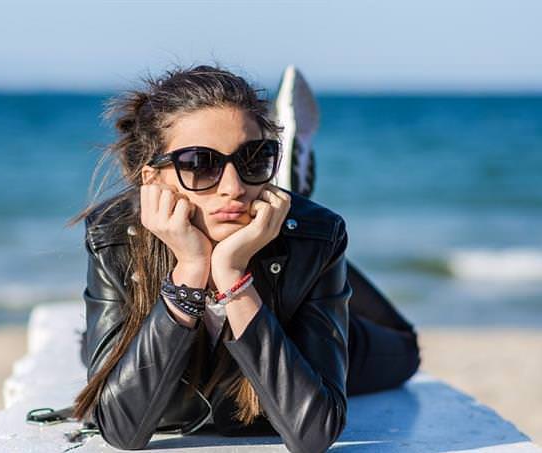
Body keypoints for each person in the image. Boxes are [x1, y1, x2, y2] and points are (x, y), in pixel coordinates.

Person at [68, 64, 421, 453]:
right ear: (152, 179)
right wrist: (190, 270)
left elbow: (314, 434)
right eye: (200, 164)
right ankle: (284, 190)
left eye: (254, 160)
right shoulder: (116, 237)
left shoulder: (313, 237)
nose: (234, 188)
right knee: (92, 347)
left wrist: (232, 276)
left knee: (405, 351)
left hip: (293, 312)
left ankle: (287, 202)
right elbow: (120, 428)